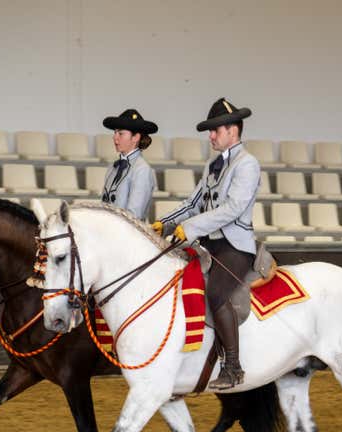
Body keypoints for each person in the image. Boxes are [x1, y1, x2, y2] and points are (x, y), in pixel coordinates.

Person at [152, 98, 259, 390]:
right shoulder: (212, 165)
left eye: (216, 130)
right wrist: (165, 223)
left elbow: (233, 208)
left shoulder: (247, 164)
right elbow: (193, 203)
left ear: (233, 131)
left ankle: (233, 366)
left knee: (216, 295)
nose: (211, 136)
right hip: (210, 244)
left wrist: (191, 227)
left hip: (235, 247)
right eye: (209, 131)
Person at [100, 109, 158, 220]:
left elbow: (133, 216)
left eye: (121, 133)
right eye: (115, 132)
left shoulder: (142, 169)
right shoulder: (112, 167)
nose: (115, 137)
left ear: (136, 137)